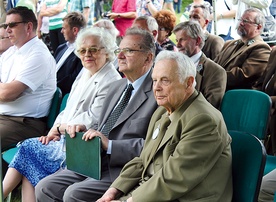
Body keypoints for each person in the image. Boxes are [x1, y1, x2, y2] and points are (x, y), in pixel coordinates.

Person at [35, 27, 158, 202]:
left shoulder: (158, 94)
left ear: (148, 57)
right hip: (92, 161)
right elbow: (101, 127)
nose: (120, 56)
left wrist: (110, 145)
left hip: (126, 168)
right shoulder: (118, 88)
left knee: (73, 194)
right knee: (45, 188)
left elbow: (155, 147)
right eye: (119, 50)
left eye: (128, 51)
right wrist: (84, 127)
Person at [2, 26, 121, 202]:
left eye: (93, 50)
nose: (87, 54)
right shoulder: (85, 73)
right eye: (82, 50)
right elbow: (68, 109)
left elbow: (93, 120)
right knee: (30, 157)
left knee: (29, 150)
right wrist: (53, 131)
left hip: (80, 144)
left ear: (107, 51)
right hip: (64, 137)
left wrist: (59, 128)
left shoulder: (111, 80)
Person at [97, 50, 233, 202]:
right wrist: (114, 190)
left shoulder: (203, 119)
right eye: (154, 80)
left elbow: (175, 178)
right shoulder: (162, 111)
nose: (156, 87)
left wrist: (127, 201)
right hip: (152, 191)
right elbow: (143, 159)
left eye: (165, 80)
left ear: (188, 83)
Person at [0, 6, 56, 151]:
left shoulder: (38, 55)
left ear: (29, 27)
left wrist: (6, 88)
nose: (7, 30)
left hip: (25, 123)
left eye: (12, 25)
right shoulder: (11, 52)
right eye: (6, 26)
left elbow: (8, 94)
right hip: (5, 118)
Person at [214, 8, 271, 91]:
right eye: (240, 20)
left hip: (234, 95)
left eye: (246, 21)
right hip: (216, 90)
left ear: (258, 27)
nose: (241, 23)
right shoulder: (230, 43)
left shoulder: (261, 48)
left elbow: (243, 76)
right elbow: (215, 64)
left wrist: (212, 76)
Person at [173, 21, 226, 109]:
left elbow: (209, 108)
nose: (178, 45)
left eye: (182, 39)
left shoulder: (215, 72)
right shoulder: (173, 66)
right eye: (177, 40)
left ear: (197, 41)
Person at [54, 11, 86, 95]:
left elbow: (72, 80)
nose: (61, 31)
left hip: (63, 94)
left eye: (64, 28)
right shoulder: (61, 48)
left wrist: (51, 85)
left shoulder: (83, 53)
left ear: (75, 30)